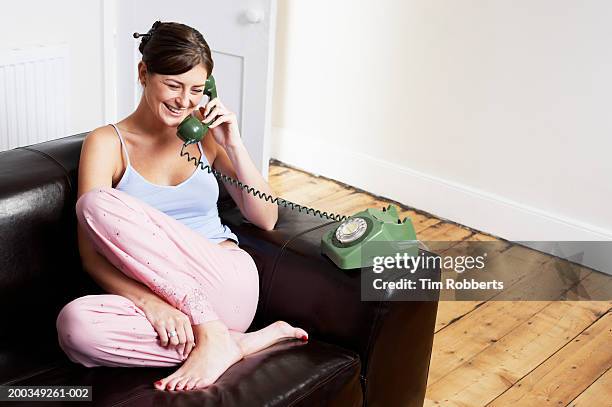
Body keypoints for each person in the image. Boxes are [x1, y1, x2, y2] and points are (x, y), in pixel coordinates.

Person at [56, 20, 308, 392]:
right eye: (172, 85)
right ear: (143, 73)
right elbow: (91, 256)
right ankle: (230, 342)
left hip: (226, 282)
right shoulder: (107, 143)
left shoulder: (203, 138)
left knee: (94, 203)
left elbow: (266, 217)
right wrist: (153, 305)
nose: (184, 101)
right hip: (168, 300)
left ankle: (212, 331)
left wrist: (234, 145)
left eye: (196, 90)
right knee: (75, 325)